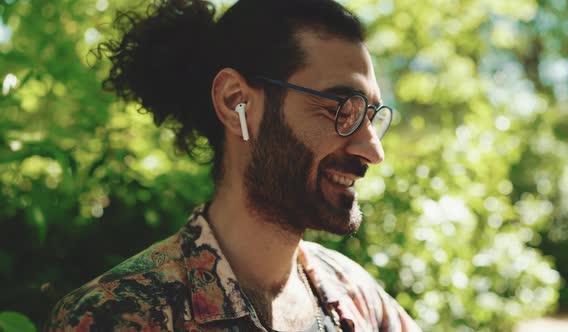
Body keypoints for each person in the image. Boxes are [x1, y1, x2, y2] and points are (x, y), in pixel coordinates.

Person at [45, 0, 422, 331]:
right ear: (234, 101)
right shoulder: (118, 315)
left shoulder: (354, 295)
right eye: (340, 108)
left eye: (371, 116)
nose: (373, 150)